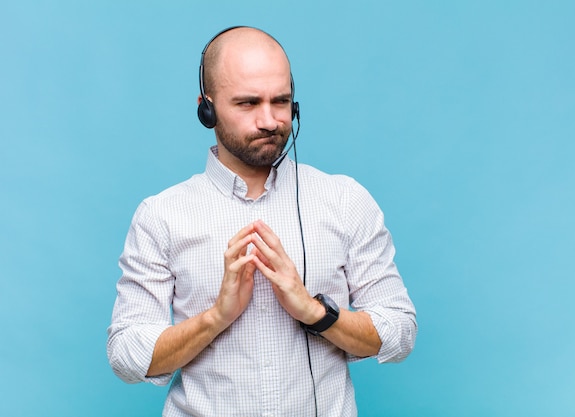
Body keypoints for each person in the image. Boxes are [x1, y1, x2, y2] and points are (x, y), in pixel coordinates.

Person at [107, 26, 417, 417]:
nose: (270, 121)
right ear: (207, 108)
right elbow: (126, 355)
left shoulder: (345, 200)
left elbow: (399, 330)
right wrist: (216, 317)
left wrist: (316, 313)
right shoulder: (161, 215)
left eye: (281, 101)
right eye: (248, 103)